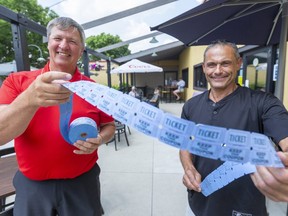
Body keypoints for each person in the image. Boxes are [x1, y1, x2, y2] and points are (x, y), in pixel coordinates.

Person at [0, 17, 115, 216]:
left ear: (80, 50)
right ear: (48, 44)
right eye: (58, 38)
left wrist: (101, 139)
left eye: (72, 41)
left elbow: (109, 126)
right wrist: (29, 98)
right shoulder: (17, 82)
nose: (64, 45)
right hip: (32, 186)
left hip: (82, 183)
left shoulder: (94, 89)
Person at [180, 40, 288, 216]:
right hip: (198, 204)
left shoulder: (263, 102)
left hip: (244, 208)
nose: (217, 71)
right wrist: (188, 168)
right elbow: (185, 143)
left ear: (238, 63)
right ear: (204, 67)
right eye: (211, 65)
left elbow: (284, 134)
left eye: (225, 63)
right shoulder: (191, 106)